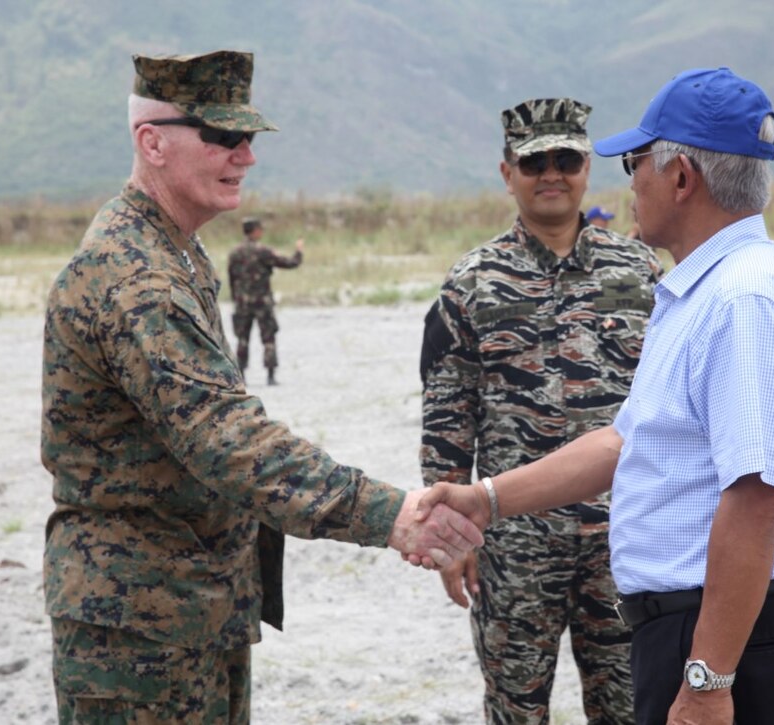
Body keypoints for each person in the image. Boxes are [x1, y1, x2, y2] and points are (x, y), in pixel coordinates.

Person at [41, 50, 483, 724]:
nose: (244, 155)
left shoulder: (173, 249)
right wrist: (387, 512)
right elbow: (225, 437)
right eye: (221, 137)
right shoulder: (135, 276)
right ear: (151, 142)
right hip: (137, 629)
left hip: (190, 608)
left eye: (248, 137)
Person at [416, 67, 774, 725]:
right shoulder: (695, 291)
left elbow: (759, 496)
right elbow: (628, 437)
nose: (630, 178)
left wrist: (706, 681)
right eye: (535, 161)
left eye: (636, 160)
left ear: (681, 178)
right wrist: (482, 499)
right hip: (627, 595)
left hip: (728, 629)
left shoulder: (740, 299)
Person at [419, 97, 662, 724]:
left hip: (624, 539)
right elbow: (448, 418)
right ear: (508, 174)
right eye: (534, 163)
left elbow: (671, 407)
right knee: (515, 709)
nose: (551, 173)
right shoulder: (471, 283)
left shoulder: (639, 272)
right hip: (514, 546)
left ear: (587, 169)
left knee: (632, 706)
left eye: (566, 159)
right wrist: (450, 537)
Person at [228, 217, 303, 385]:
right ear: (255, 231)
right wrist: (299, 251)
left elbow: (231, 279)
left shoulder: (235, 253)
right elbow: (290, 263)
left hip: (242, 303)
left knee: (242, 339)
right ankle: (270, 375)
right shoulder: (263, 251)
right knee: (268, 338)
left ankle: (241, 376)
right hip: (262, 302)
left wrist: (236, 299)